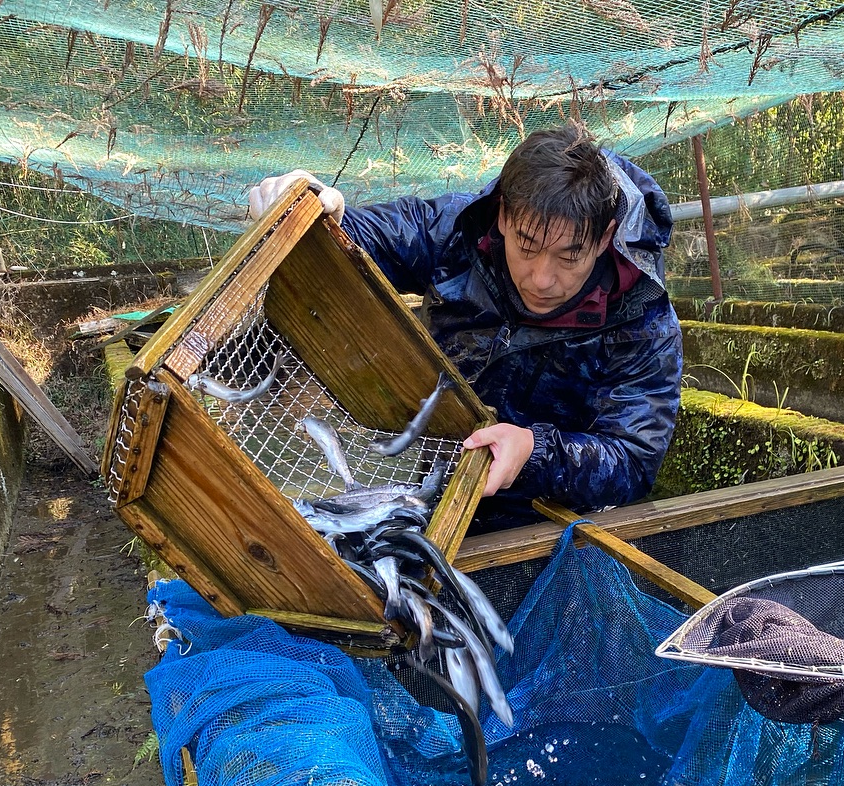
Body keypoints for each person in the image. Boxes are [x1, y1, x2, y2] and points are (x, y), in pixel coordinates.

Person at [246, 125, 683, 528]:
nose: (542, 278)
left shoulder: (643, 321)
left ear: (605, 237)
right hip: (441, 491)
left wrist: (537, 451)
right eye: (527, 247)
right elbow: (368, 236)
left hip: (557, 525)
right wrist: (318, 210)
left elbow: (633, 461)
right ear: (504, 217)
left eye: (570, 257)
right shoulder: (456, 231)